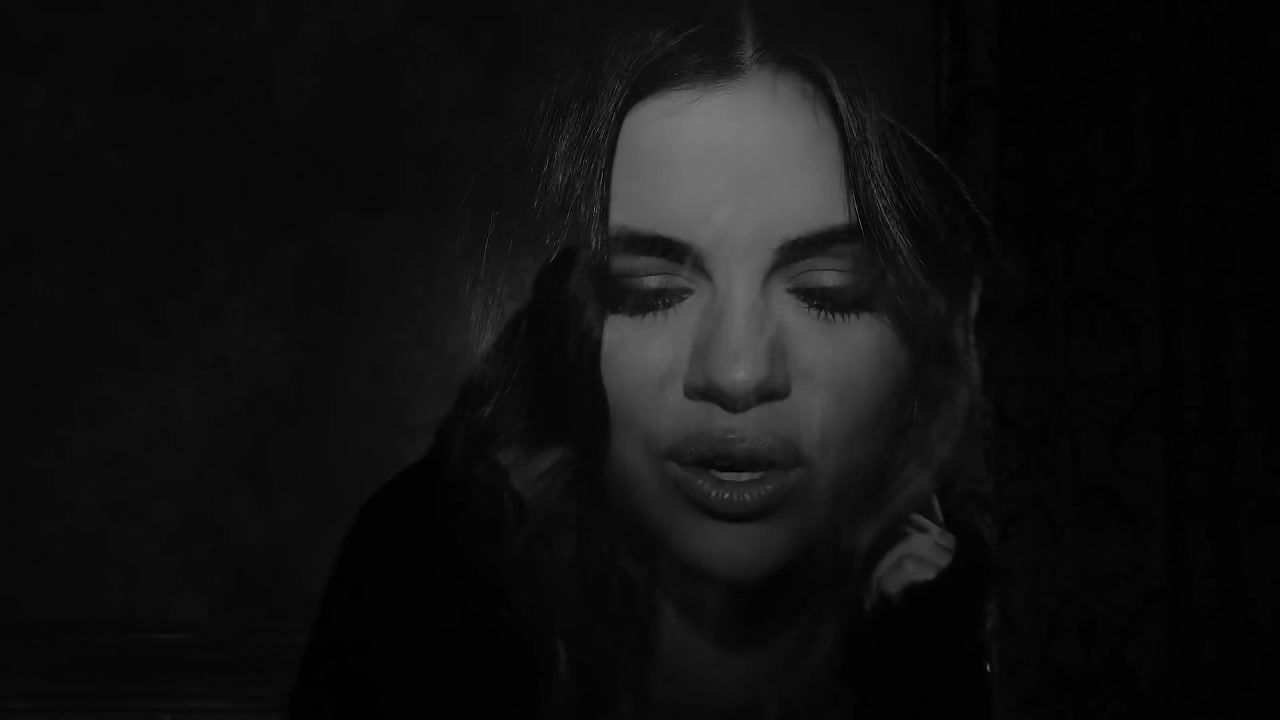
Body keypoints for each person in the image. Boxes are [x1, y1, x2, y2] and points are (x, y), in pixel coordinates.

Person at [289, 1, 1002, 718]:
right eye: (651, 294)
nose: (737, 374)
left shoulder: (995, 616)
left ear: (927, 343)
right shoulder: (430, 573)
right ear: (563, 329)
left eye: (826, 294)